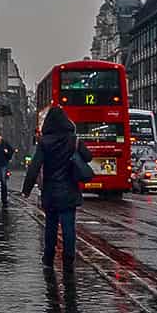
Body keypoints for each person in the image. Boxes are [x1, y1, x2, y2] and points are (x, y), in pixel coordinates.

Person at [23, 105, 94, 272]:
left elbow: (34, 166)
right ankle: (68, 259)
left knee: (51, 226)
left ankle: (48, 258)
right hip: (69, 189)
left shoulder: (44, 142)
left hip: (51, 190)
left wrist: (26, 189)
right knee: (69, 226)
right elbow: (88, 157)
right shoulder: (73, 140)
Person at [0, 130, 15, 207]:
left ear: (1, 137)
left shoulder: (5, 143)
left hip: (3, 165)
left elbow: (11, 151)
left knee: (3, 182)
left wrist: (7, 153)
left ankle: (4, 199)